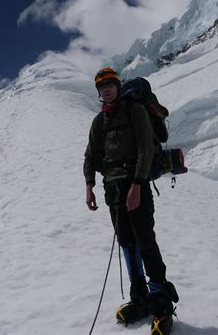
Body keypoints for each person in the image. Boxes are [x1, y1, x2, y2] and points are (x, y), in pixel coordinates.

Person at [83, 67, 177, 327]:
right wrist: (89, 185)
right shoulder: (98, 121)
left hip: (135, 186)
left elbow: (146, 149)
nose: (106, 90)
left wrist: (137, 183)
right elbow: (90, 156)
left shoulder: (134, 110)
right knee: (126, 242)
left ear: (118, 86)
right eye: (102, 87)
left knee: (145, 241)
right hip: (112, 188)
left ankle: (161, 303)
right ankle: (140, 297)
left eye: (110, 85)